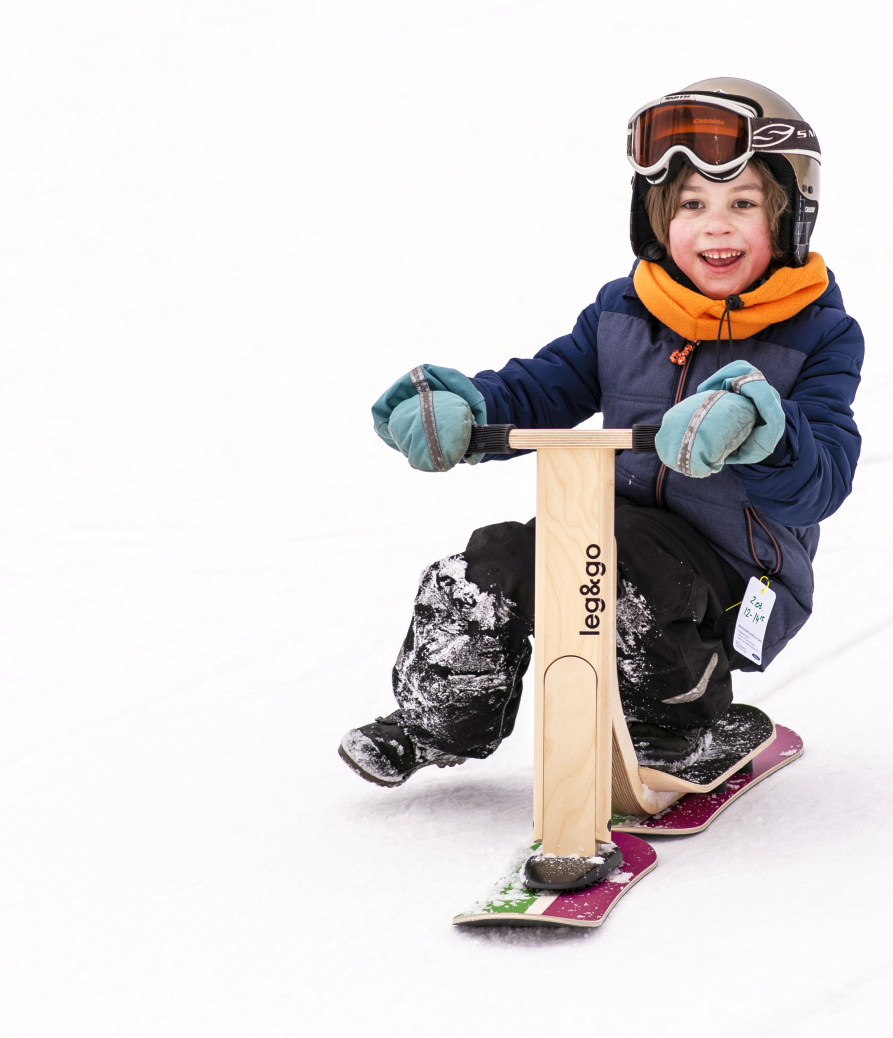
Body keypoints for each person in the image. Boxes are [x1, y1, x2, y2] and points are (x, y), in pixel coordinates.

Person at [340, 77, 863, 788]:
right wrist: (465, 411)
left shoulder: (820, 334)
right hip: (604, 537)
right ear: (655, 218)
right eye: (691, 205)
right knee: (494, 562)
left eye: (743, 203)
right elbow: (540, 388)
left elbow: (825, 477)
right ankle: (438, 719)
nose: (716, 226)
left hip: (739, 574)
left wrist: (763, 427)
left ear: (791, 215)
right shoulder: (622, 312)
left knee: (630, 563)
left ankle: (675, 725)